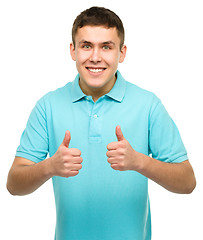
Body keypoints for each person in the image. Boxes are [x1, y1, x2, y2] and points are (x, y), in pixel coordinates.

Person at [7, 6, 196, 240]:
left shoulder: (148, 105)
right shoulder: (48, 106)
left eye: (106, 47)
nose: (95, 57)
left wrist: (140, 162)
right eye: (86, 46)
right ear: (73, 50)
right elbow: (14, 184)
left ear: (122, 53)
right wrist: (49, 167)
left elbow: (187, 182)